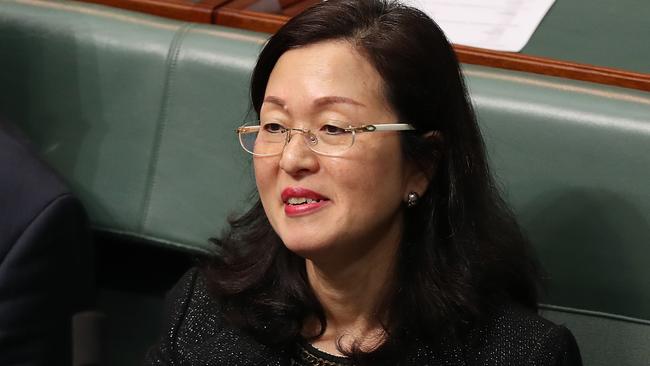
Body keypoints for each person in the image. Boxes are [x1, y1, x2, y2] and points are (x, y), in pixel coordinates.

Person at [146, 0, 582, 364]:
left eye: (334, 128)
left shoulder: (520, 355)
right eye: (275, 126)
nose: (293, 158)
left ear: (423, 163)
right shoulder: (203, 313)